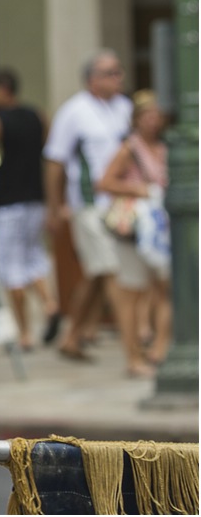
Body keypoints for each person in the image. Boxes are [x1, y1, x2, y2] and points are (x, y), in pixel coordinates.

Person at [44, 48, 132, 361]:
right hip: (90, 204)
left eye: (119, 71)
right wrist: (55, 208)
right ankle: (133, 352)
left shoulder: (124, 107)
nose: (118, 78)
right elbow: (55, 162)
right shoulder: (74, 111)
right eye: (111, 73)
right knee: (111, 271)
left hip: (121, 203)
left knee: (97, 273)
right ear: (93, 80)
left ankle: (72, 335)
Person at [0, 69, 61, 351]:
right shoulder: (38, 115)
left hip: (6, 202)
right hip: (34, 199)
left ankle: (24, 333)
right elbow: (48, 153)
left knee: (11, 268)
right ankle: (50, 304)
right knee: (33, 257)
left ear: (3, 88)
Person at [96, 89, 171, 377]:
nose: (154, 121)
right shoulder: (130, 148)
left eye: (157, 115)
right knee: (132, 291)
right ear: (137, 119)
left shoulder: (164, 147)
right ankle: (133, 355)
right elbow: (105, 182)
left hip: (159, 228)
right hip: (134, 228)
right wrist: (137, 189)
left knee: (163, 289)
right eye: (148, 115)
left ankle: (159, 348)